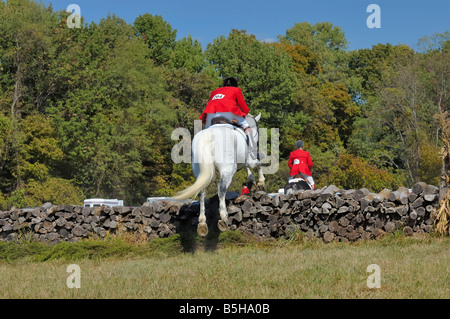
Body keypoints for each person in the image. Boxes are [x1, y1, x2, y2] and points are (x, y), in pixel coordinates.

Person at [200, 77, 257, 159]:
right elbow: (245, 109)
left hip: (211, 113)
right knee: (246, 126)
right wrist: (243, 114)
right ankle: (253, 152)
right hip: (228, 111)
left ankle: (202, 152)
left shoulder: (214, 92)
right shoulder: (236, 90)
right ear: (235, 85)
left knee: (206, 131)